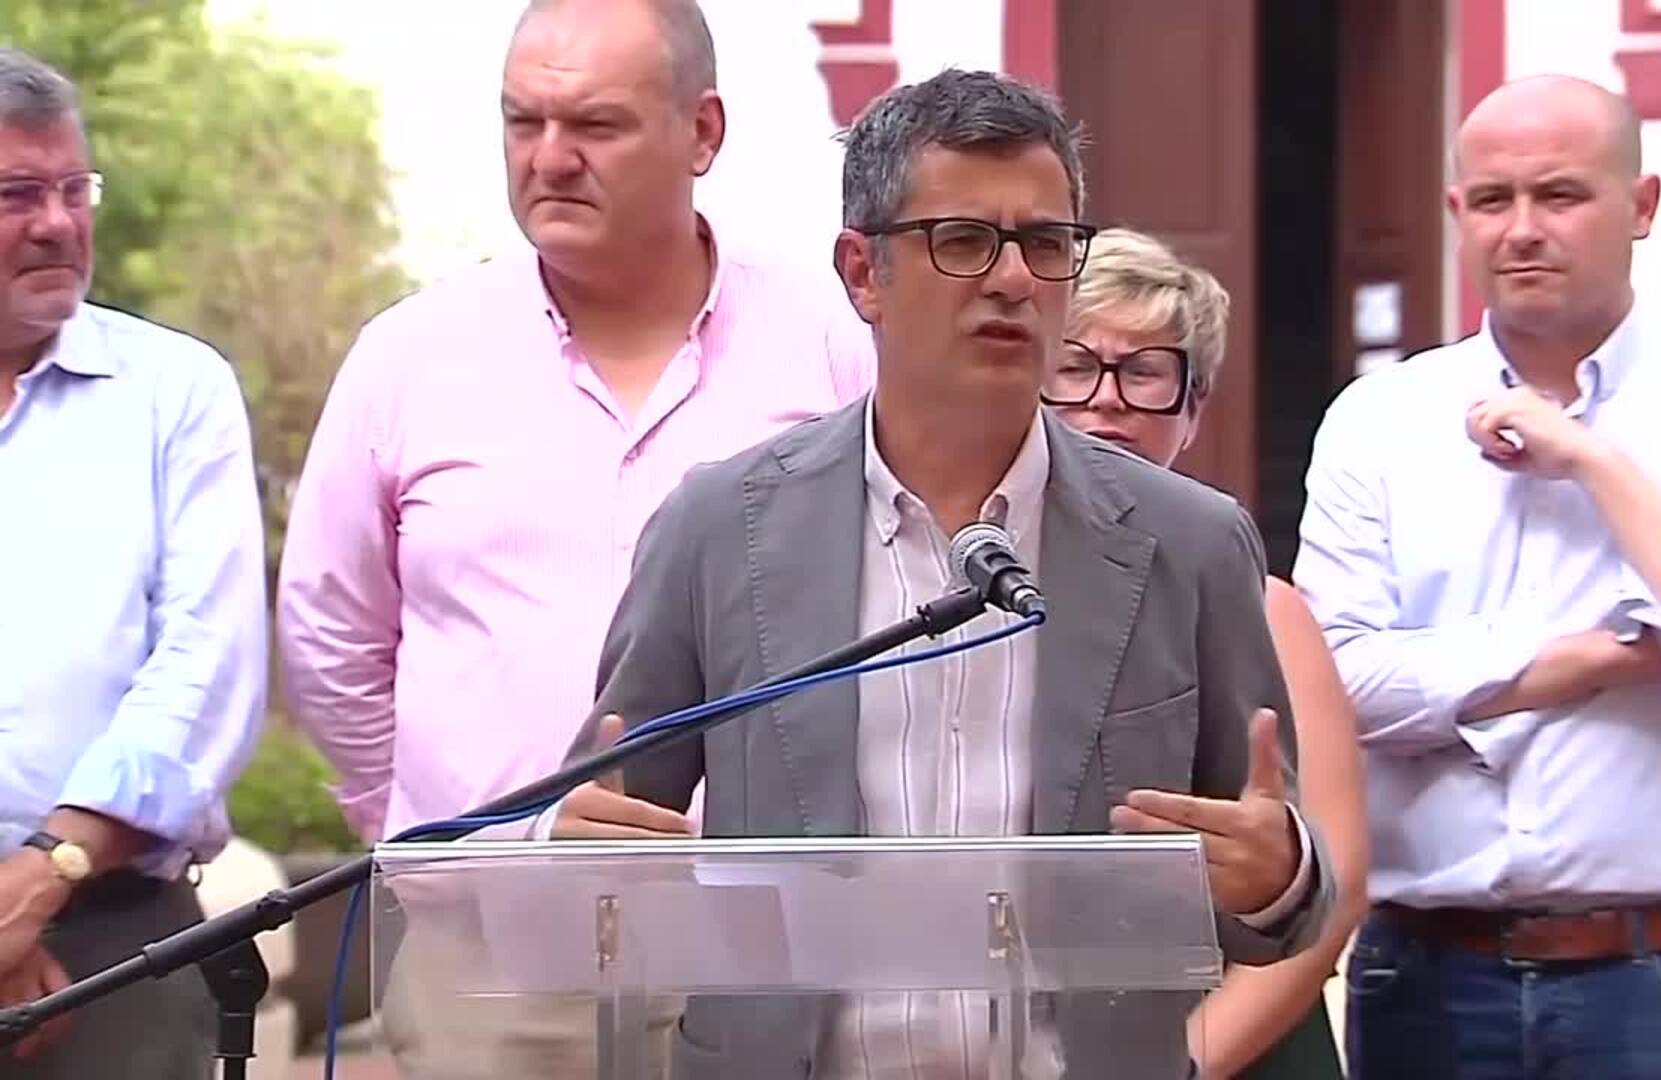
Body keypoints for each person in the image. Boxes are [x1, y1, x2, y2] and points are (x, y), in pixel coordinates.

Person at [547, 69, 1335, 1077]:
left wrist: (1275, 873)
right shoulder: (720, 526)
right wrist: (575, 847)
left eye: (1044, 244)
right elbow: (606, 819)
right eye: (963, 241)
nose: (1012, 280)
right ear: (863, 273)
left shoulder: (1190, 542)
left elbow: (1275, 874)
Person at [276, 0, 874, 1073]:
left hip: (769, 949)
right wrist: (448, 838)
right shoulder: (411, 358)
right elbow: (332, 637)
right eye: (523, 121)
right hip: (490, 959)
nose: (549, 159)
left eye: (595, 124)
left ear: (702, 132)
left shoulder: (829, 344)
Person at [1292, 74, 1661, 1079]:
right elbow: (1340, 687)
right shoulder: (1380, 419)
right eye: (1493, 200)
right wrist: (1596, 656)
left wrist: (1594, 462)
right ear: (1457, 211)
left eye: (1560, 195)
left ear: (1641, 206)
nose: (1523, 230)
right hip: (1426, 975)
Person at [1042, 227, 1368, 1078]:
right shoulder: (968, 594)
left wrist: (1186, 1064)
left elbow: (1334, 882)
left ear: (1193, 411)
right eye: (1074, 366)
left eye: (1147, 372)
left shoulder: (1265, 607)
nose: (1106, 401)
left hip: (1225, 1036)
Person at [0, 48, 268, 1078]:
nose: (58, 224)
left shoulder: (172, 392)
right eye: (18, 195)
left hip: (120, 944)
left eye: (75, 189)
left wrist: (43, 875)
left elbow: (207, 667)